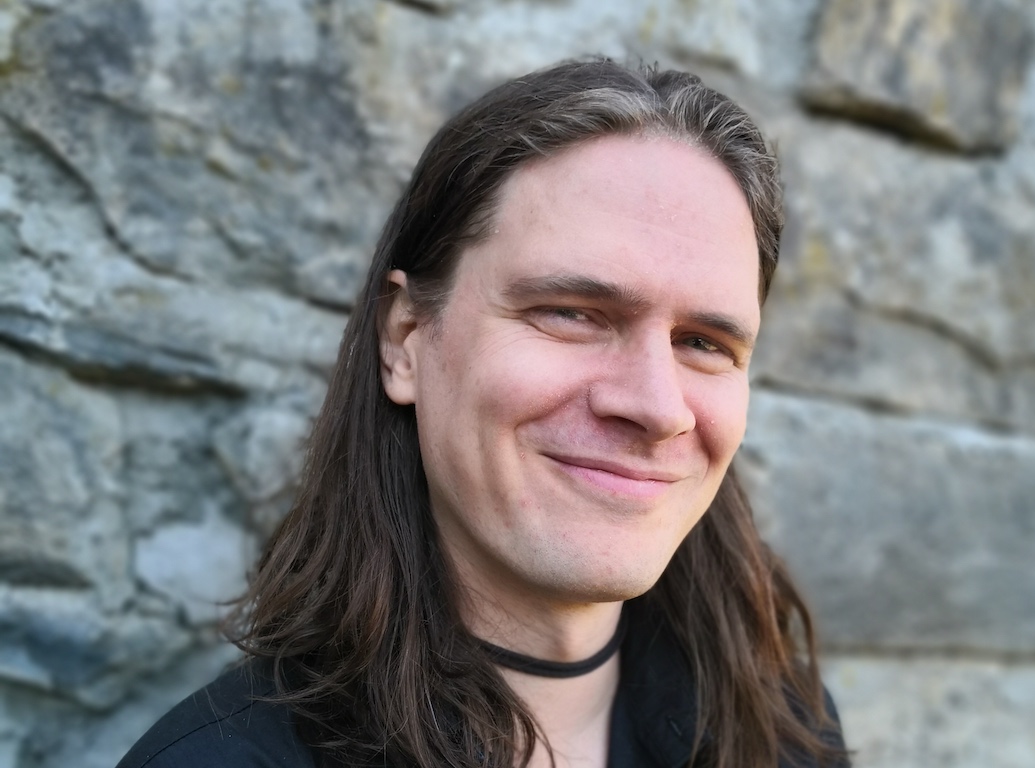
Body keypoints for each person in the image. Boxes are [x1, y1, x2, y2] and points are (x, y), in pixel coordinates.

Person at [117, 58, 849, 768]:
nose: (658, 408)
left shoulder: (784, 730)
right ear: (406, 339)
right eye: (570, 313)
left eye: (704, 343)